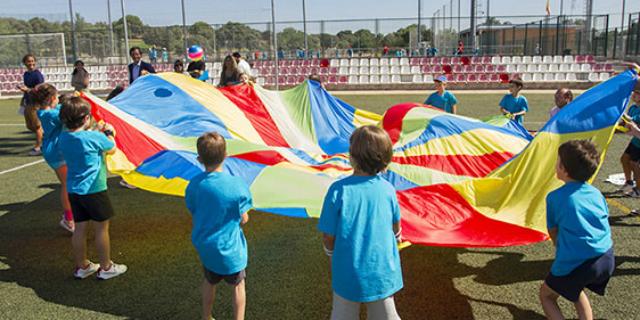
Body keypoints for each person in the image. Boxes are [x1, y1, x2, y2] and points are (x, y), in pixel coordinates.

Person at [318, 125, 403, 320]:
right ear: (385, 159)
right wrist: (397, 238)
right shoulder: (388, 189)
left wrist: (330, 253)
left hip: (347, 272)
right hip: (382, 273)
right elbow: (395, 225)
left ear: (352, 156)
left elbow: (328, 236)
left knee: (343, 314)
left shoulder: (338, 190)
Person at [539, 140, 614, 320]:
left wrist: (560, 249)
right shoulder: (596, 193)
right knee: (574, 288)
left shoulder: (555, 197)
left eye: (558, 162)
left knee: (547, 296)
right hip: (606, 258)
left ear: (563, 169)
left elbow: (553, 230)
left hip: (577, 262)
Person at [58, 97, 127, 280]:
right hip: (94, 190)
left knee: (80, 228)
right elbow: (111, 147)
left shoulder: (63, 138)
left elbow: (83, 140)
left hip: (74, 190)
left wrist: (97, 132)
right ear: (87, 118)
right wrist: (109, 132)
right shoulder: (94, 137)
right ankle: (106, 267)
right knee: (101, 229)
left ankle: (82, 266)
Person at [185, 132, 252, 320]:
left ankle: (206, 316)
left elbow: (193, 209)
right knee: (238, 286)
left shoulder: (194, 185)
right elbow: (244, 218)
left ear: (199, 159)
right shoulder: (236, 185)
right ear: (226, 155)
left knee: (209, 280)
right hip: (231, 250)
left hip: (206, 247)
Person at [31, 84, 75, 233]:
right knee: (67, 184)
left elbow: (61, 108)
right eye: (57, 96)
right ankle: (68, 219)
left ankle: (70, 215)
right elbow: (67, 113)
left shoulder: (48, 111)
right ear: (51, 98)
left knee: (69, 183)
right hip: (57, 152)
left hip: (58, 150)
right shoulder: (49, 114)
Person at [18, 53, 45, 156]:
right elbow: (27, 89)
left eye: (32, 61)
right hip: (28, 102)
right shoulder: (26, 74)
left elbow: (40, 89)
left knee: (37, 126)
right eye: (28, 61)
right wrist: (23, 99)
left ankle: (38, 147)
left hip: (36, 103)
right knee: (29, 126)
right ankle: (45, 137)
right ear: (24, 63)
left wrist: (28, 90)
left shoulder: (37, 74)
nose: (31, 63)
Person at [618, 89, 640, 196]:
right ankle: (629, 182)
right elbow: (626, 123)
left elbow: (632, 120)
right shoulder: (633, 108)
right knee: (624, 158)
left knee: (634, 164)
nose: (634, 95)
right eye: (634, 93)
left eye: (637, 93)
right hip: (635, 141)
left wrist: (620, 112)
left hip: (639, 142)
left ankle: (638, 189)